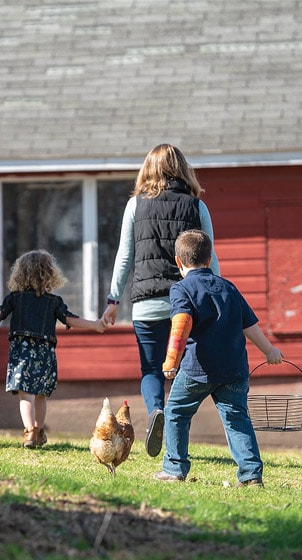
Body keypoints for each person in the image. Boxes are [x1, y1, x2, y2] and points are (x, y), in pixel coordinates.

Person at [101, 143, 220, 459]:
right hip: (188, 304)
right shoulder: (196, 207)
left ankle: (156, 410)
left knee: (152, 370)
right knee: (183, 370)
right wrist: (217, 297)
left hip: (147, 304)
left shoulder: (135, 206)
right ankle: (175, 431)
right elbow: (210, 258)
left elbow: (125, 255)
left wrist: (113, 299)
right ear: (183, 170)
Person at [155, 230, 283, 486]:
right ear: (210, 258)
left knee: (177, 413)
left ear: (178, 262)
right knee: (237, 418)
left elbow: (181, 323)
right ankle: (250, 475)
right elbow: (250, 326)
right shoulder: (228, 287)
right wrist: (269, 350)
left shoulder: (181, 288)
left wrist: (171, 361)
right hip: (234, 370)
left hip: (196, 370)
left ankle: (174, 469)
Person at [0, 250, 105, 448]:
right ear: (50, 274)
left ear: (20, 274)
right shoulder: (53, 302)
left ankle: (30, 432)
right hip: (45, 353)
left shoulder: (15, 299)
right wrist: (95, 325)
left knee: (25, 394)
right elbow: (70, 319)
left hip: (22, 352)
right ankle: (39, 429)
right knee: (41, 394)